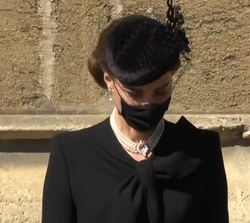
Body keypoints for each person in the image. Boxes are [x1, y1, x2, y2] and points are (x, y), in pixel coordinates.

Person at [41, 2, 229, 223]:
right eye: (135, 93)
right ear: (109, 81)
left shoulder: (201, 151)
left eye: (161, 91)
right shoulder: (71, 154)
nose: (148, 103)